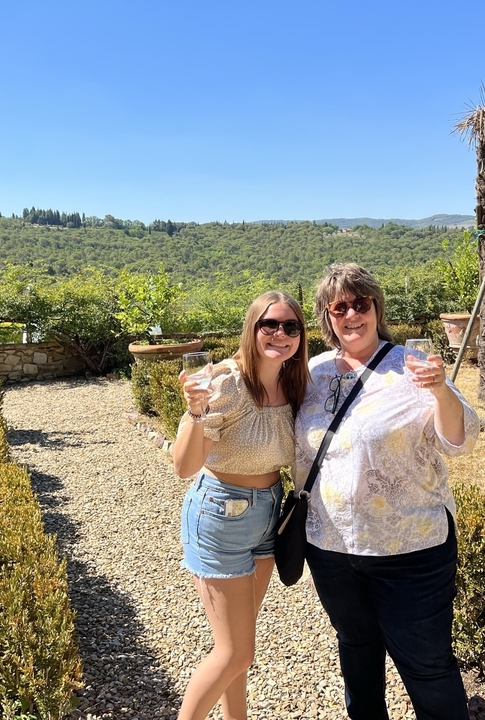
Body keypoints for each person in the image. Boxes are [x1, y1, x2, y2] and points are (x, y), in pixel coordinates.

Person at [294, 263, 480, 720]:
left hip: (409, 549)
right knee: (356, 651)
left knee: (427, 666)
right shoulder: (313, 374)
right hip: (331, 548)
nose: (352, 314)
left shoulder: (411, 368)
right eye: (340, 306)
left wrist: (441, 392)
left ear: (376, 308)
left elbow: (460, 441)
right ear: (326, 316)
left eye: (362, 303)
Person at [173, 291, 309, 720]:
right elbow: (184, 466)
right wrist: (196, 411)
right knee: (235, 653)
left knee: (239, 647)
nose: (280, 334)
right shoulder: (225, 382)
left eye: (291, 326)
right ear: (251, 328)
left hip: (269, 513)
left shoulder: (293, 381)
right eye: (269, 324)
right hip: (220, 514)